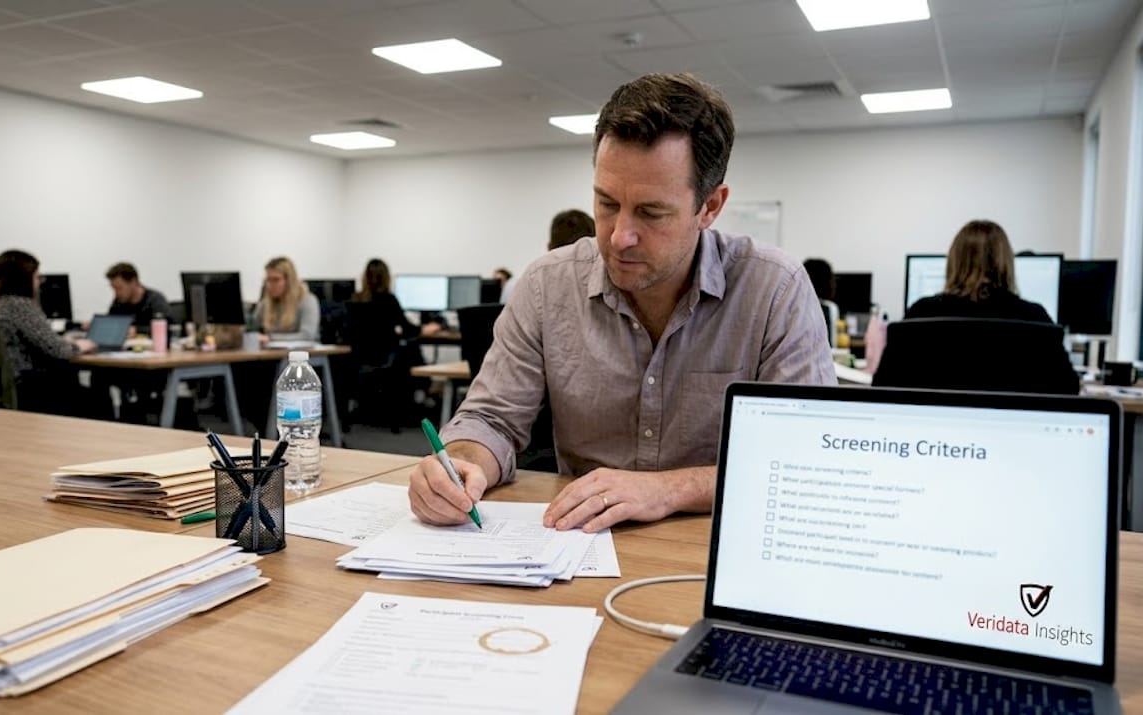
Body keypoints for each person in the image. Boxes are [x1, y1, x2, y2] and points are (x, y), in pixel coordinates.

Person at [408, 72, 835, 534]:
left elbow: (804, 458)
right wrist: (463, 463)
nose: (619, 236)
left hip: (713, 548)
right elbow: (491, 419)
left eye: (651, 212)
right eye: (607, 203)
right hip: (573, 547)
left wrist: (668, 489)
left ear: (710, 206)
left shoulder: (774, 289)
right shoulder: (548, 284)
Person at [0, 250, 97, 414]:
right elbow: (58, 350)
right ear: (23, 279)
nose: (39, 283)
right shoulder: (18, 305)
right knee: (96, 398)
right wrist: (80, 346)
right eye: (38, 277)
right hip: (25, 388)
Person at [904, 220, 1053, 322]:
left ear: (954, 262)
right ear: (1007, 263)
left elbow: (888, 369)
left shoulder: (921, 313)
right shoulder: (1034, 316)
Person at [254, 257, 320, 345]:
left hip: (307, 355)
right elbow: (251, 328)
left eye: (276, 280)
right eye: (268, 280)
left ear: (289, 281)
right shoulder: (265, 303)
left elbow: (307, 335)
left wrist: (270, 338)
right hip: (274, 354)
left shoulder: (308, 301)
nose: (270, 285)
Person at [105, 262, 169, 330]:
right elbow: (110, 323)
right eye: (113, 288)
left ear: (133, 282)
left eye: (119, 288)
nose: (116, 293)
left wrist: (137, 330)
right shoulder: (119, 301)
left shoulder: (155, 300)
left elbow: (167, 328)